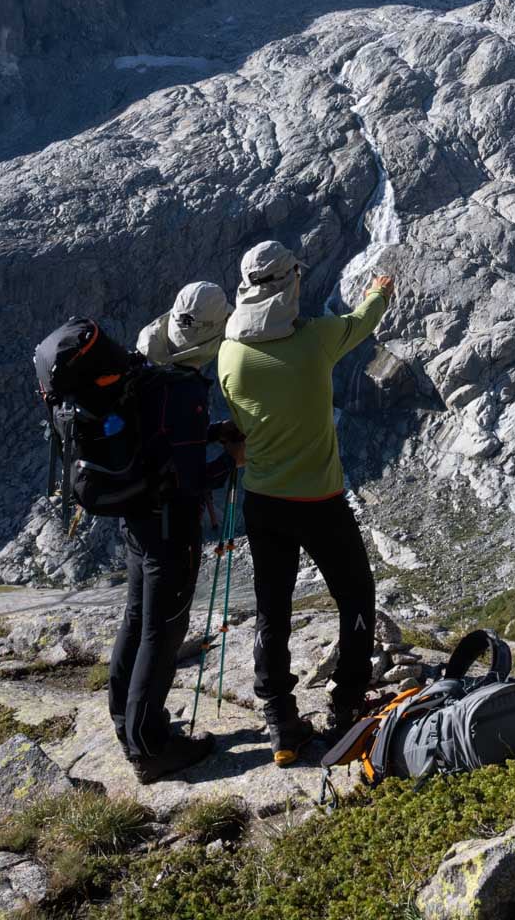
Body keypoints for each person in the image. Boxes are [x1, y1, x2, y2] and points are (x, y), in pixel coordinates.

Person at [216, 241, 392, 766]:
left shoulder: (229, 353)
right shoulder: (315, 340)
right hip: (320, 500)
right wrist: (380, 291)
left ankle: (281, 724)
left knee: (273, 608)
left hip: (264, 502)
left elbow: (243, 432)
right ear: (290, 283)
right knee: (356, 593)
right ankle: (346, 704)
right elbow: (362, 321)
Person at [108, 281, 242, 782]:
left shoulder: (145, 365)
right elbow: (186, 481)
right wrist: (227, 461)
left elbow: (159, 442)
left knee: (137, 619)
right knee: (163, 634)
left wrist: (208, 435)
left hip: (136, 517)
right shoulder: (184, 388)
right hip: (170, 528)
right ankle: (151, 749)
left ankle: (127, 720)